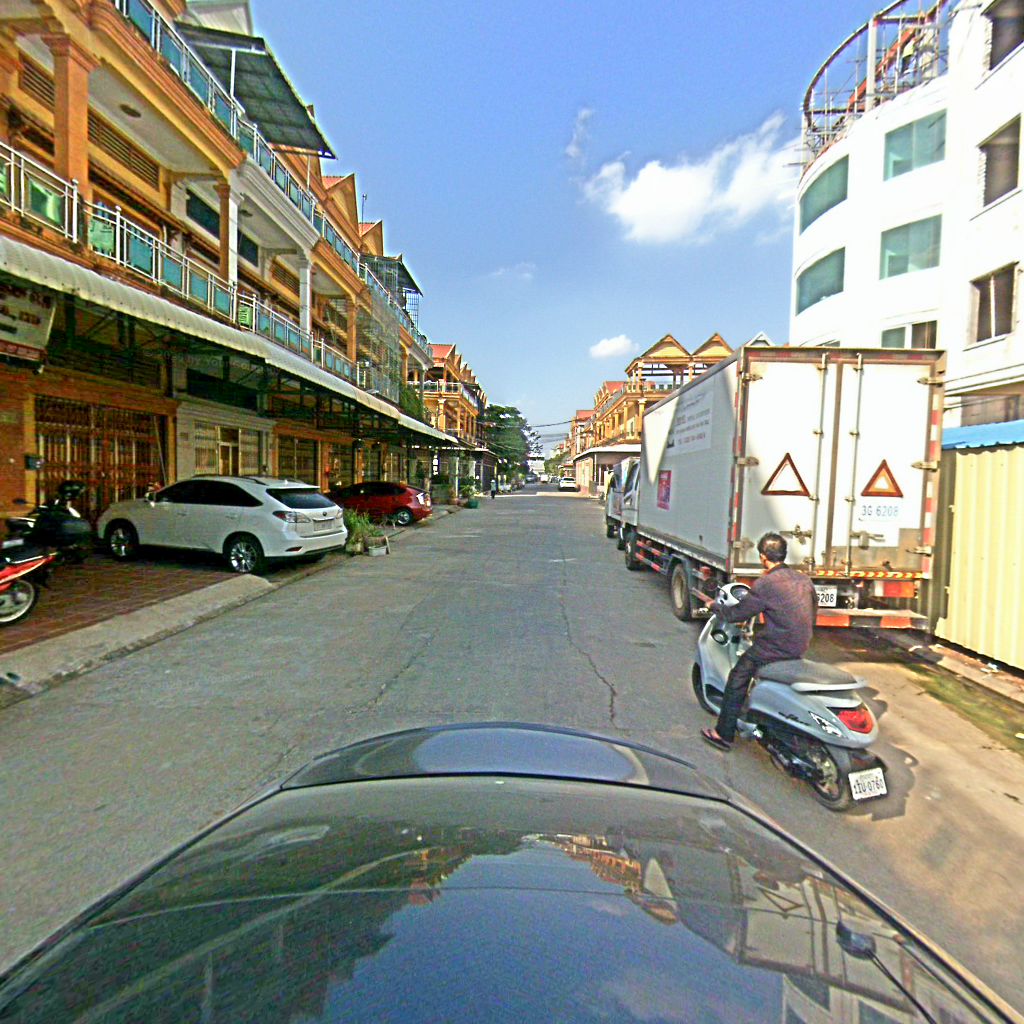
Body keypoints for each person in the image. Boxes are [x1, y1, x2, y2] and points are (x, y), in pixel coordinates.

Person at [701, 532, 817, 752]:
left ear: (763, 557)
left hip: (774, 648)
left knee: (738, 678)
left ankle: (723, 733)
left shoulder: (766, 583)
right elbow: (812, 613)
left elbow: (737, 614)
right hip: (800, 645)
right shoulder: (803, 579)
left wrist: (713, 606)